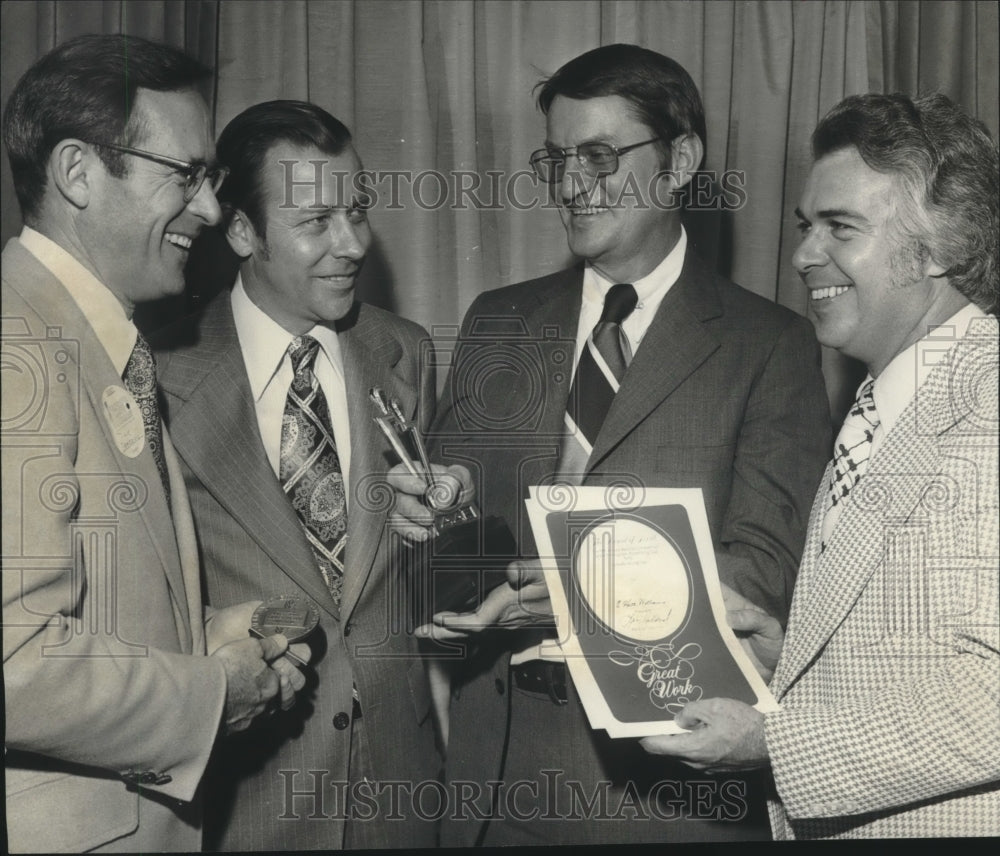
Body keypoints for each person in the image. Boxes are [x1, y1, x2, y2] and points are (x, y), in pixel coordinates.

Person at [416, 43, 832, 845]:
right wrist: (437, 513)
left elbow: (767, 567)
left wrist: (579, 591)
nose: (572, 185)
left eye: (601, 156)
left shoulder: (769, 344)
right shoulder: (497, 321)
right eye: (556, 159)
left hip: (662, 792)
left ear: (680, 161)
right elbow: (456, 549)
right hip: (495, 779)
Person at [641, 92, 1000, 839]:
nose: (804, 253)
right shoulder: (887, 403)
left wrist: (775, 743)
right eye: (807, 226)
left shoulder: (987, 404)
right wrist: (789, 658)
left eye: (841, 227)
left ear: (944, 246)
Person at [1, 35, 306, 854]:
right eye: (187, 175)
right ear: (77, 173)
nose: (209, 210)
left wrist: (200, 635)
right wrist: (209, 694)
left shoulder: (95, 338)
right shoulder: (16, 348)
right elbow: (13, 663)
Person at [153, 100, 444, 850]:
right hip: (246, 797)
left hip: (402, 796)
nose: (351, 244)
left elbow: (413, 571)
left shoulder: (405, 351)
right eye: (315, 222)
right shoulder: (159, 370)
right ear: (243, 230)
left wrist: (450, 519)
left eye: (357, 211)